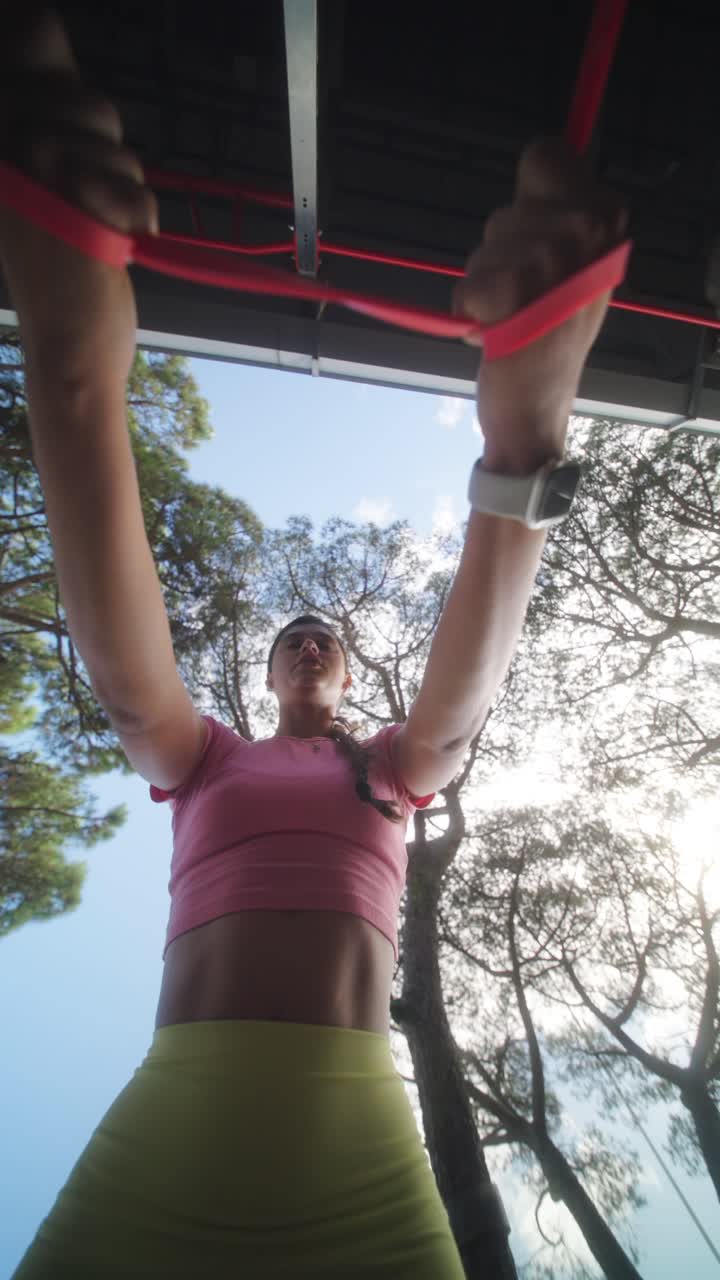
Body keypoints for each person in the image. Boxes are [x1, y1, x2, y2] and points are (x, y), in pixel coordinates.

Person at [3, 8, 627, 1279]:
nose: (301, 646)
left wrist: (521, 449)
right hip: (162, 1141)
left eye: (320, 638)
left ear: (342, 673)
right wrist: (70, 371)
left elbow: (450, 725)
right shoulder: (210, 761)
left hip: (365, 1164)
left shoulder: (390, 769)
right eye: (287, 637)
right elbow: (132, 689)